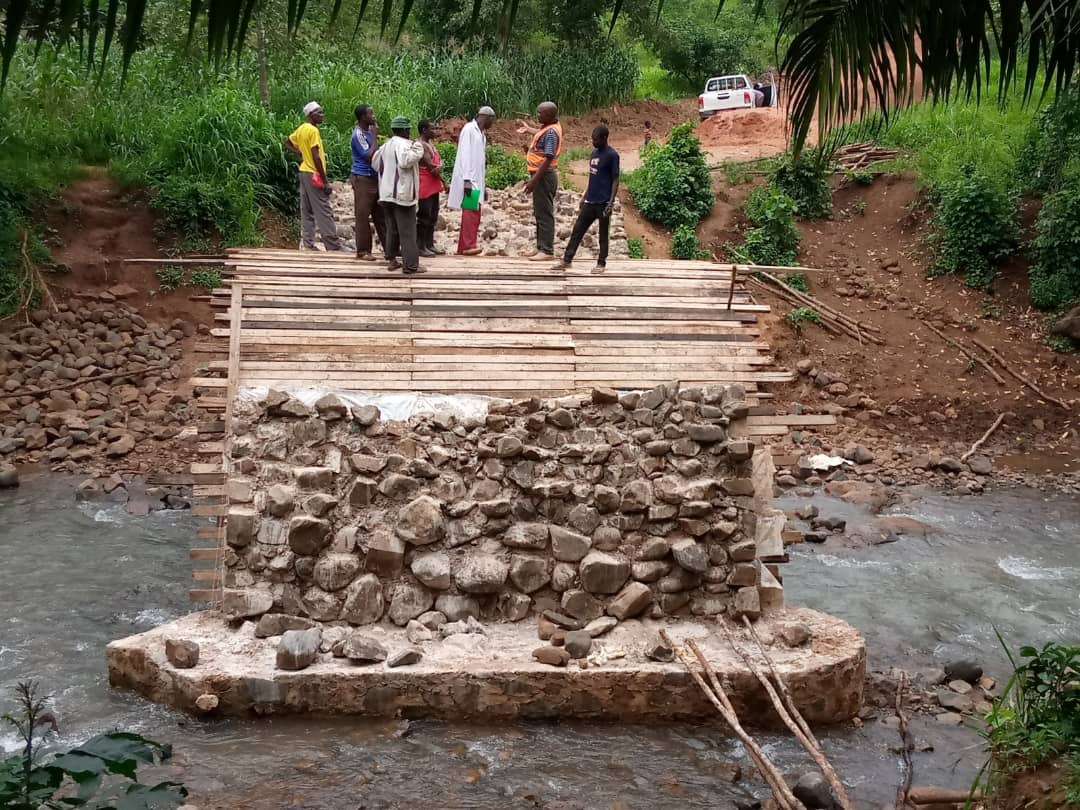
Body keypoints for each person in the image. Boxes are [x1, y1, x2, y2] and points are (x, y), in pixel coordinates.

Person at [553, 125, 619, 274]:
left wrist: (611, 201)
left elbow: (615, 179)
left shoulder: (612, 155)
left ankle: (601, 263)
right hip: (590, 201)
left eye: (595, 140)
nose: (593, 142)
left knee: (603, 234)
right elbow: (593, 177)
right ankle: (567, 260)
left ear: (604, 138)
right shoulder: (594, 154)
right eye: (592, 139)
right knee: (577, 230)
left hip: (603, 202)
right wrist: (584, 196)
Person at [284, 101, 347, 252]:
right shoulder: (313, 131)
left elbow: (287, 142)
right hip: (313, 174)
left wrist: (299, 152)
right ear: (311, 115)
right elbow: (316, 156)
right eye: (319, 112)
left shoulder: (301, 129)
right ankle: (333, 246)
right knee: (323, 209)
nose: (322, 115)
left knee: (306, 209)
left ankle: (308, 243)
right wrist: (325, 181)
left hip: (303, 171)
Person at [372, 116, 425, 275]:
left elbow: (375, 164)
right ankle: (410, 266)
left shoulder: (385, 146)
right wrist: (418, 148)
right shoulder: (405, 145)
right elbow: (405, 161)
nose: (409, 132)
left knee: (392, 228)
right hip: (402, 195)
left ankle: (392, 260)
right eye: (408, 129)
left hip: (386, 194)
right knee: (408, 231)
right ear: (404, 130)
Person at [448, 106, 495, 256]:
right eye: (491, 120)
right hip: (469, 179)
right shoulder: (469, 129)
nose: (492, 124)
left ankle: (464, 246)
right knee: (471, 212)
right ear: (485, 117)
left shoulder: (481, 134)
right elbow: (465, 155)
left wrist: (483, 186)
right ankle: (468, 245)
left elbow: (480, 163)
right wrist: (467, 180)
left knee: (474, 211)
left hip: (476, 179)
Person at [521, 101, 563, 261]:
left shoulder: (551, 132)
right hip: (541, 175)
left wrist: (534, 181)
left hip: (544, 176)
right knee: (539, 212)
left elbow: (548, 157)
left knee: (544, 213)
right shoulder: (548, 128)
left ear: (549, 115)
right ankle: (540, 246)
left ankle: (546, 250)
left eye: (540, 113)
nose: (537, 116)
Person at [351, 104, 386, 261]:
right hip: (363, 178)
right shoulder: (358, 134)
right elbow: (369, 156)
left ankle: (389, 248)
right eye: (371, 113)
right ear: (363, 117)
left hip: (374, 176)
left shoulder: (368, 132)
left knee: (381, 214)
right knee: (363, 215)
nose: (374, 115)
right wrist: (374, 137)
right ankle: (363, 250)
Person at [416, 119, 445, 257]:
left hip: (433, 183)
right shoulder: (421, 145)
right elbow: (430, 166)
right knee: (424, 216)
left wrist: (444, 182)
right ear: (424, 130)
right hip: (425, 184)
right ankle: (420, 246)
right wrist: (440, 169)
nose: (435, 131)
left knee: (433, 215)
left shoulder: (430, 144)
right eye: (432, 129)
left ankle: (429, 244)